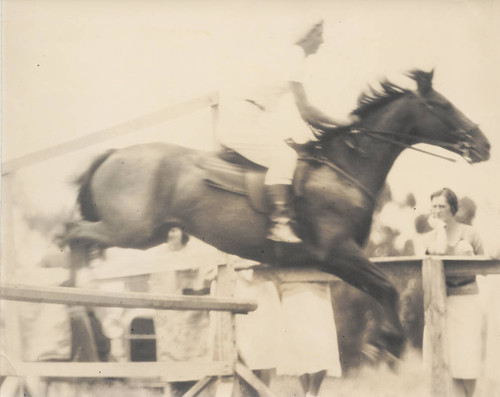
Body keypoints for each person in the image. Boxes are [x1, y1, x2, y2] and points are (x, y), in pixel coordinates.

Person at [218, 19, 358, 243]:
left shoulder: (290, 56)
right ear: (308, 34)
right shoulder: (295, 57)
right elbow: (306, 110)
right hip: (240, 119)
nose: (322, 41)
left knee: (290, 147)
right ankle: (280, 223)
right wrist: (342, 123)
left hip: (249, 116)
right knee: (285, 155)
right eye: (319, 34)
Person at [423, 188, 485, 397]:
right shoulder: (430, 237)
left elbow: (485, 268)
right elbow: (438, 251)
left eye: (442, 206)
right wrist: (439, 229)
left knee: (467, 363)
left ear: (453, 209)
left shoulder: (470, 233)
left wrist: (471, 257)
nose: (437, 210)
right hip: (439, 303)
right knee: (446, 361)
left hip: (467, 302)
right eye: (434, 206)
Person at [149, 227, 222, 397]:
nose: (170, 235)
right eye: (166, 231)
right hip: (168, 318)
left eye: (174, 230)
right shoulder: (159, 255)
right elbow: (155, 287)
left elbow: (208, 281)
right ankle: (173, 391)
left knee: (196, 361)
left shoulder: (196, 251)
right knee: (170, 360)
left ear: (183, 232)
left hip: (193, 316)